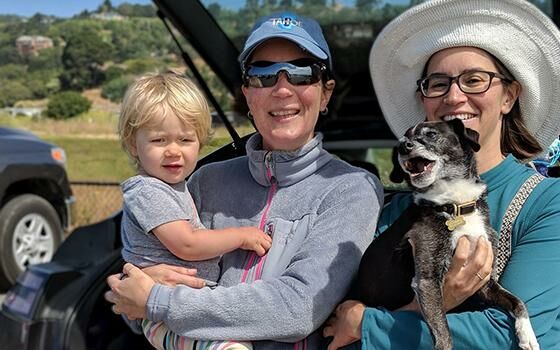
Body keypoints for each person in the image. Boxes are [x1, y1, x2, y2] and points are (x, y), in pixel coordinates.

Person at [106, 12, 384, 349]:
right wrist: (135, 285)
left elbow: (297, 309)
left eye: (301, 73)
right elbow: (133, 300)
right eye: (263, 75)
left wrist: (159, 301)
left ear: (325, 94)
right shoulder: (203, 181)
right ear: (247, 95)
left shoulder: (351, 189)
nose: (282, 89)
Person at [324, 0, 560, 348]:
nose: (454, 96)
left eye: (474, 80)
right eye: (437, 84)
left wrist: (366, 324)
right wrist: (434, 302)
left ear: (509, 96)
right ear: (424, 100)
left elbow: (513, 338)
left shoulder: (547, 202)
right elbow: (334, 331)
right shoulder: (392, 212)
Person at [118, 72, 274, 349]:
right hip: (162, 313)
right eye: (159, 141)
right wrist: (241, 236)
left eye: (185, 140)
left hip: (181, 304)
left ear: (200, 142)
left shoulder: (175, 186)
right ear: (133, 144)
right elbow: (187, 244)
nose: (173, 151)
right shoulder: (148, 191)